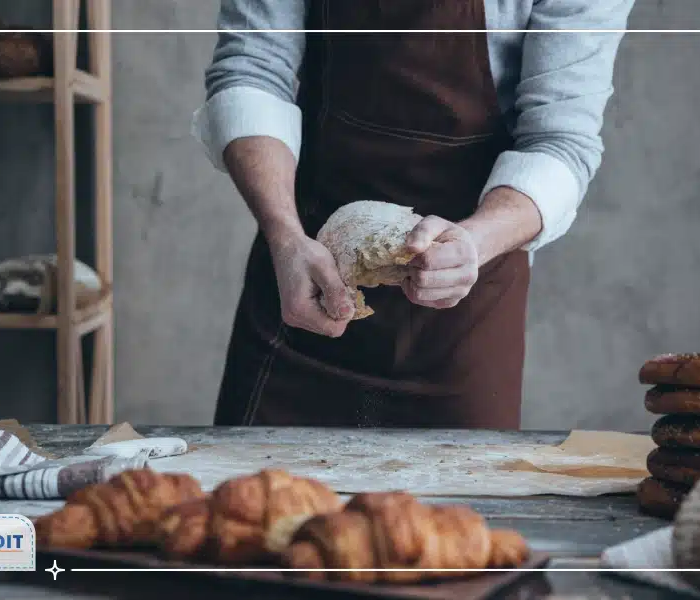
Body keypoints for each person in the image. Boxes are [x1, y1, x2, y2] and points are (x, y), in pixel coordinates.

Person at [193, 0, 635, 429]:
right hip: (303, 272)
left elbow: (559, 141)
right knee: (256, 502)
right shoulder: (292, 244)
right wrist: (285, 234)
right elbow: (252, 68)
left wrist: (473, 243)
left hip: (467, 294)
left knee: (459, 502)